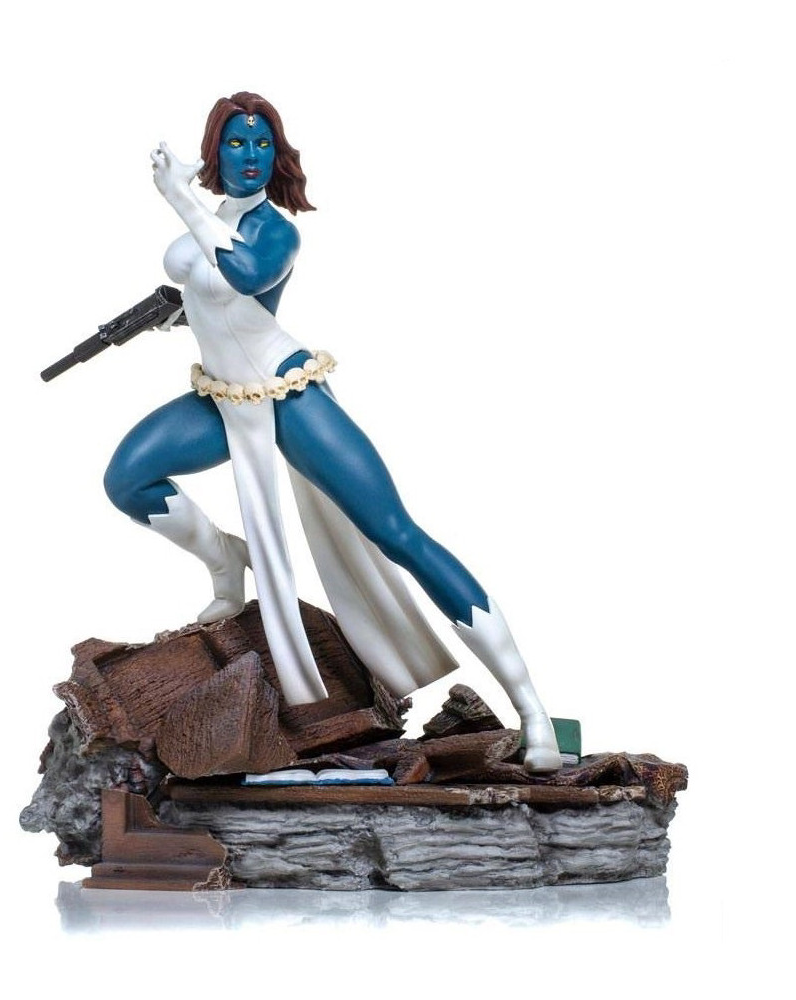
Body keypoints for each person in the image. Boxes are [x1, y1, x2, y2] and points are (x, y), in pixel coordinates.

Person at [103, 92, 562, 773]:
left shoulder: (276, 230)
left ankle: (532, 707)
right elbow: (210, 291)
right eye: (237, 142)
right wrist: (178, 315)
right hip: (225, 398)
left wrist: (179, 198)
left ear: (278, 155)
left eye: (263, 144)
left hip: (285, 391)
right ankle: (227, 562)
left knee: (397, 534)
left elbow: (244, 275)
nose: (250, 155)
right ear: (215, 149)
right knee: (128, 479)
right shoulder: (215, 217)